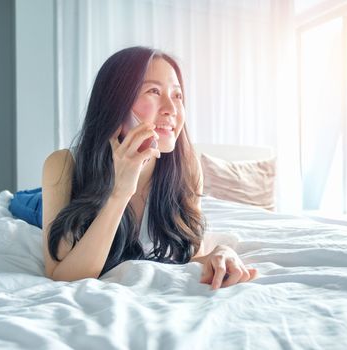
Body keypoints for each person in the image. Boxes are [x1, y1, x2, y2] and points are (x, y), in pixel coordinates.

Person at [42, 46, 257, 289]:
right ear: (115, 103)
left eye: (177, 95)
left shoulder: (186, 167)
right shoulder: (62, 165)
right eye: (154, 91)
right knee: (21, 204)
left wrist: (221, 252)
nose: (171, 109)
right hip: (42, 201)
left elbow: (190, 255)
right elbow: (62, 276)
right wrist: (120, 192)